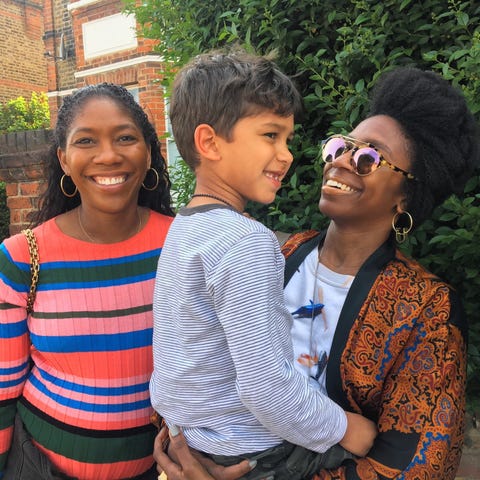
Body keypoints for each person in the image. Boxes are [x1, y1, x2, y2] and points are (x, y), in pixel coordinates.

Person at [152, 66, 480, 480]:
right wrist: (184, 453)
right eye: (341, 147)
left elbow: (416, 467)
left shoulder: (425, 309)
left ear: (405, 197)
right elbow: (195, 358)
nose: (341, 161)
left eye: (367, 158)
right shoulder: (277, 253)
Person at [149, 49, 377, 480]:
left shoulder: (184, 229)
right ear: (209, 142)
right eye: (270, 135)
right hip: (254, 456)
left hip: (195, 440)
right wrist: (347, 428)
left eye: (287, 139)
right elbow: (267, 387)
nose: (287, 154)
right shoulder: (245, 242)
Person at [0, 83, 174, 479]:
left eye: (125, 138)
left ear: (148, 151)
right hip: (37, 466)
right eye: (86, 141)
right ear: (64, 159)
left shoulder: (186, 245)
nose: (109, 155)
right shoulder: (21, 258)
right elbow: (3, 387)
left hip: (157, 469)